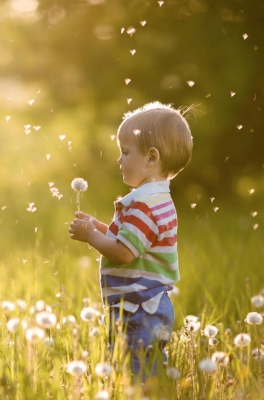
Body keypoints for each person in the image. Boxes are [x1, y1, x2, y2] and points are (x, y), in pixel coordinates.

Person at [69, 101, 193, 380]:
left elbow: (124, 252)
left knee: (135, 375)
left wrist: (91, 236)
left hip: (137, 309)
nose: (119, 160)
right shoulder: (157, 199)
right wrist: (99, 227)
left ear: (151, 158)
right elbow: (129, 240)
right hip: (150, 304)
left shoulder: (144, 205)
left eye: (125, 152)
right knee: (149, 369)